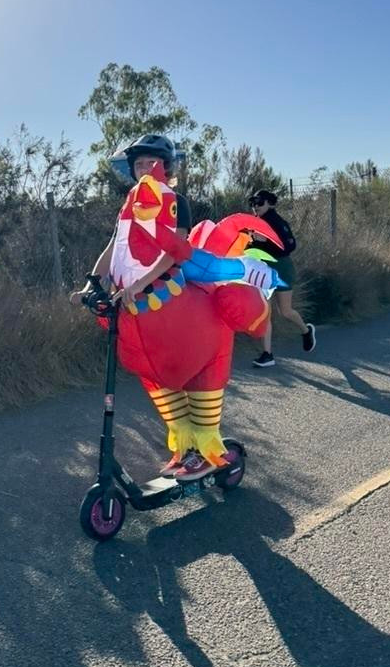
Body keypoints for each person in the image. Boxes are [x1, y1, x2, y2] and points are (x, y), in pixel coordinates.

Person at [71, 135, 282, 480]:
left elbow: (175, 250)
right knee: (154, 372)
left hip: (169, 295)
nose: (144, 169)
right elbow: (115, 247)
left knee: (197, 370)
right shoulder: (129, 207)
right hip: (135, 305)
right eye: (138, 164)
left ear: (166, 168)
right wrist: (92, 284)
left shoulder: (173, 202)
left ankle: (207, 449)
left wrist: (139, 284)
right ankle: (184, 447)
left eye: (150, 163)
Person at [248, 188, 316, 367]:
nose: (256, 207)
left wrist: (267, 241)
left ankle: (306, 330)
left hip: (282, 270)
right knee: (265, 312)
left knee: (285, 311)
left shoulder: (278, 222)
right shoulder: (254, 222)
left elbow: (288, 247)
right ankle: (267, 354)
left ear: (270, 203)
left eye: (260, 202)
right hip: (262, 272)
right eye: (253, 203)